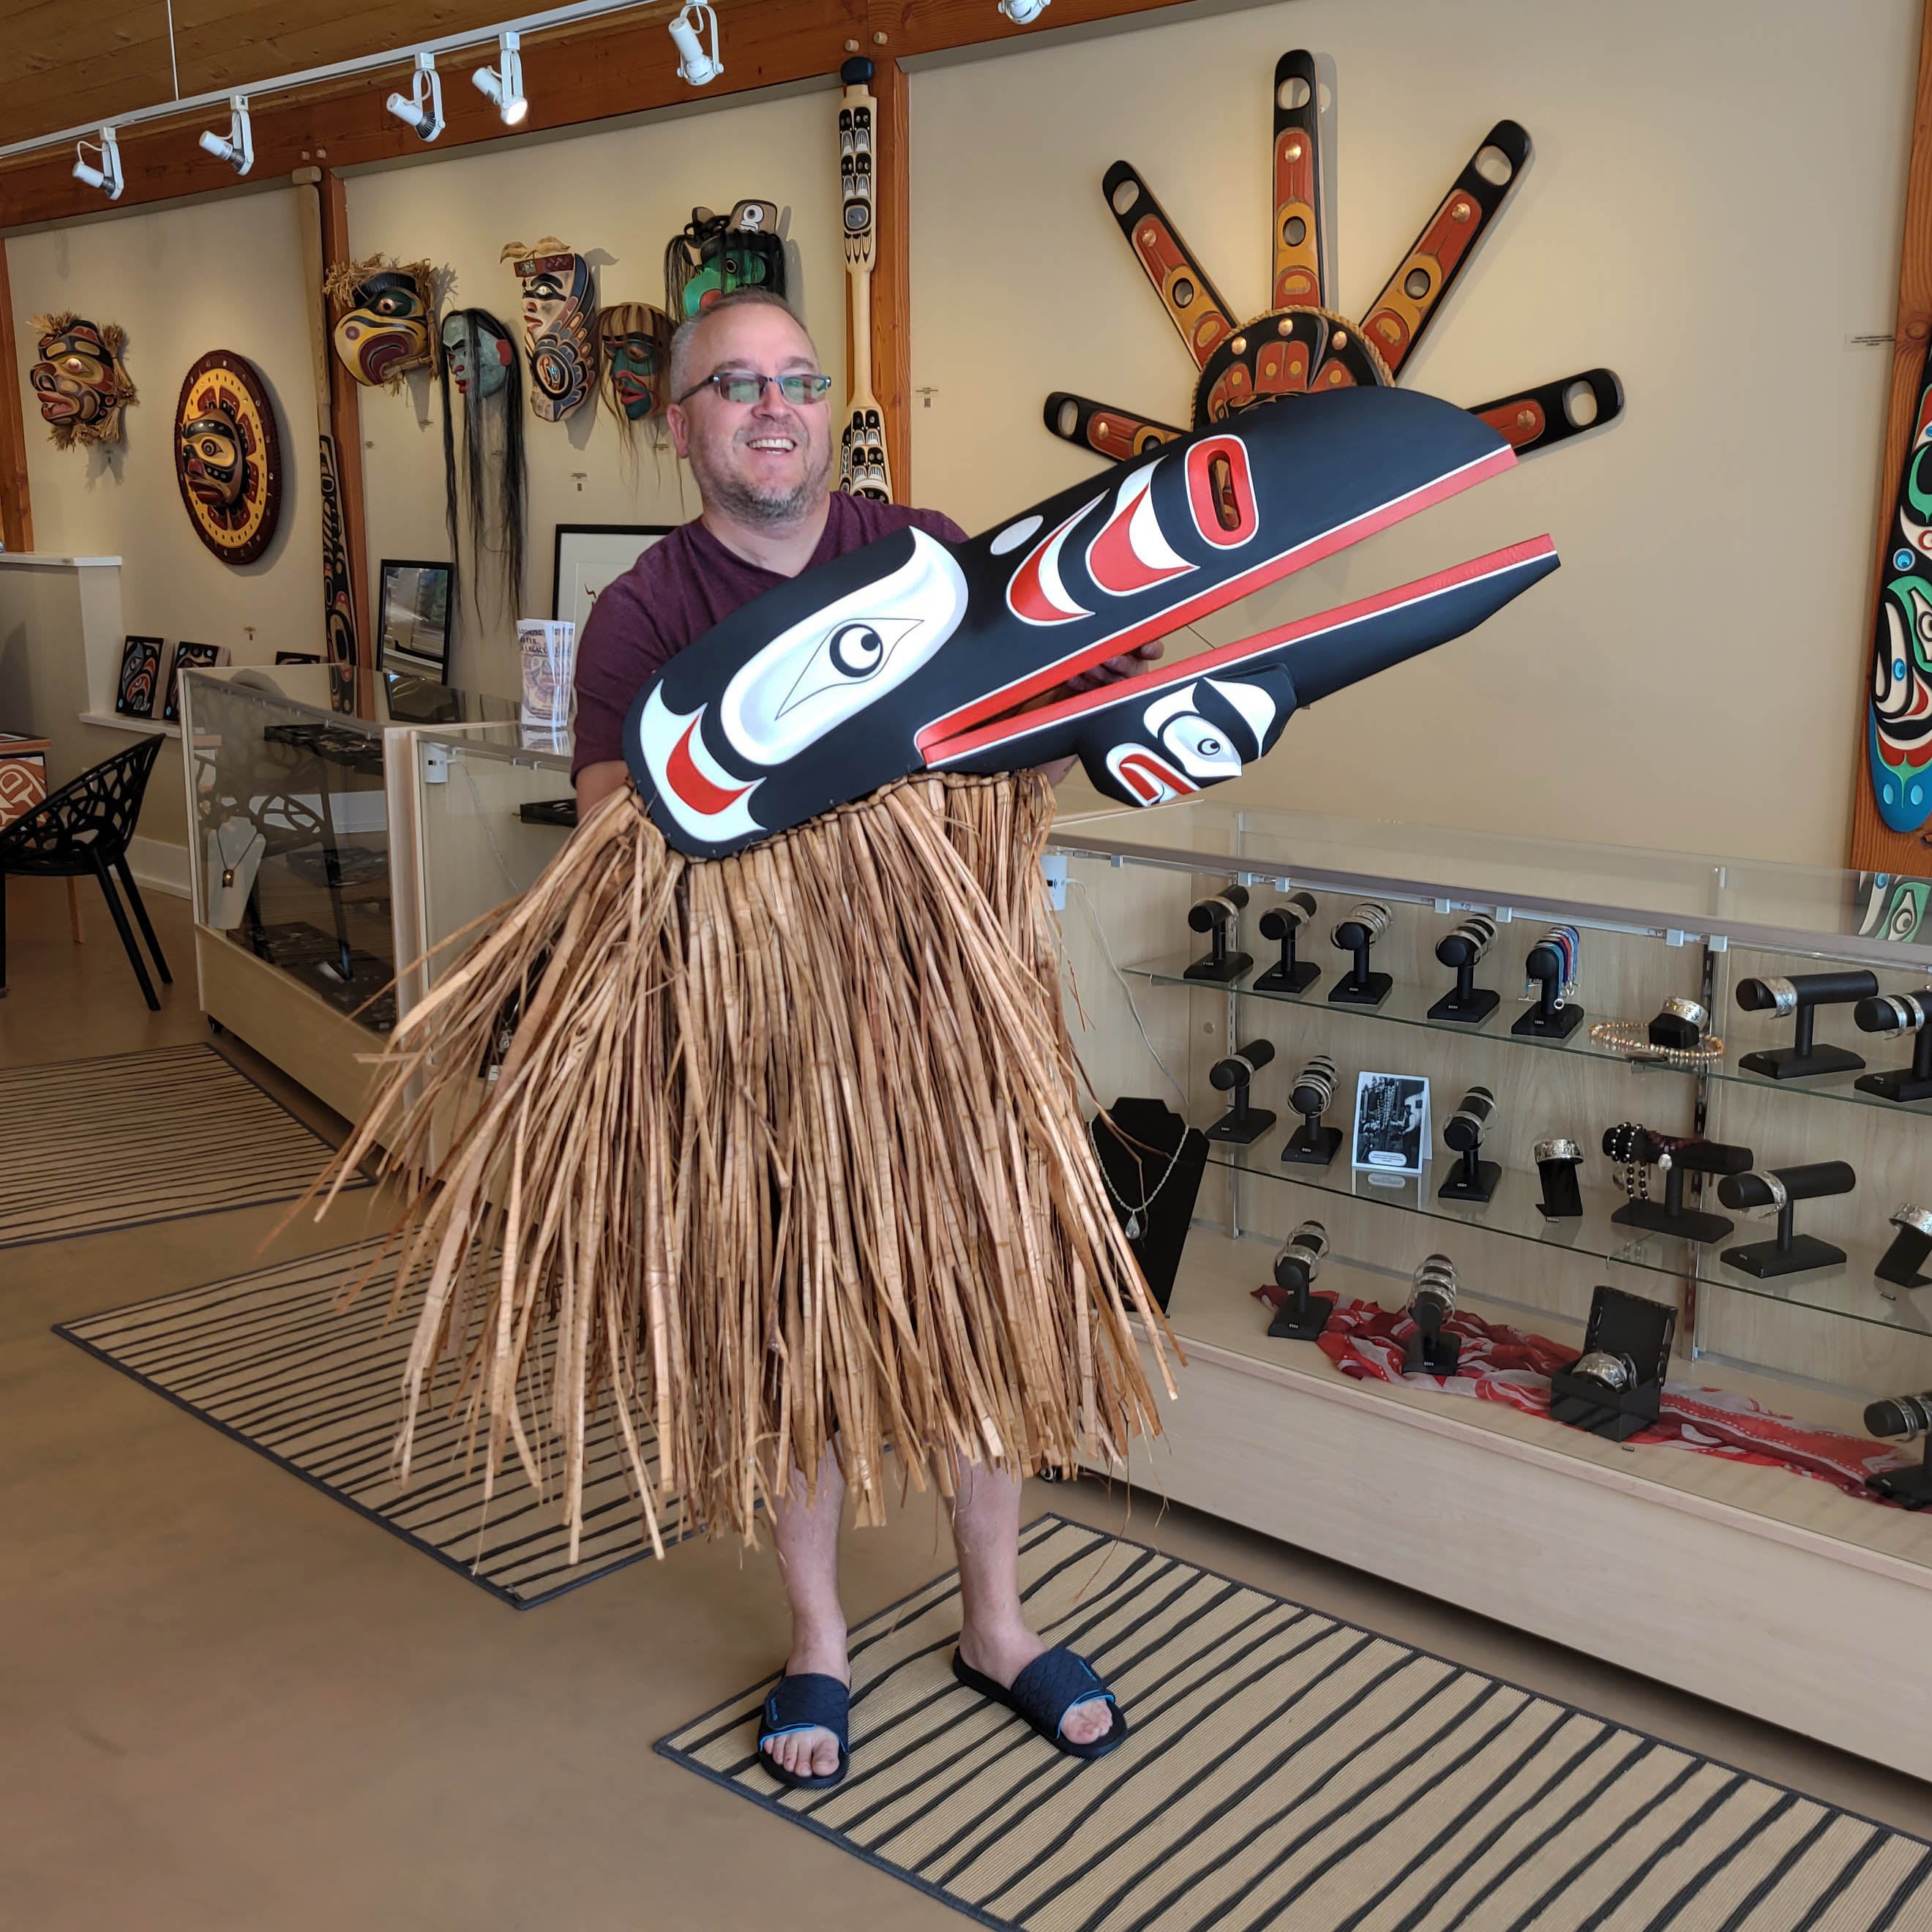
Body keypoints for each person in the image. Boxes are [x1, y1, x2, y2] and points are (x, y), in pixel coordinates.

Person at [573, 288, 1161, 1789]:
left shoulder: (922, 558)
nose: (774, 408)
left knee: (985, 1320)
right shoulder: (646, 614)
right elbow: (615, 840)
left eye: (797, 378)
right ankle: (821, 1641)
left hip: (950, 1040)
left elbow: (1023, 736)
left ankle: (997, 1625)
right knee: (797, 1340)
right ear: (680, 426)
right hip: (768, 1064)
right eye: (736, 385)